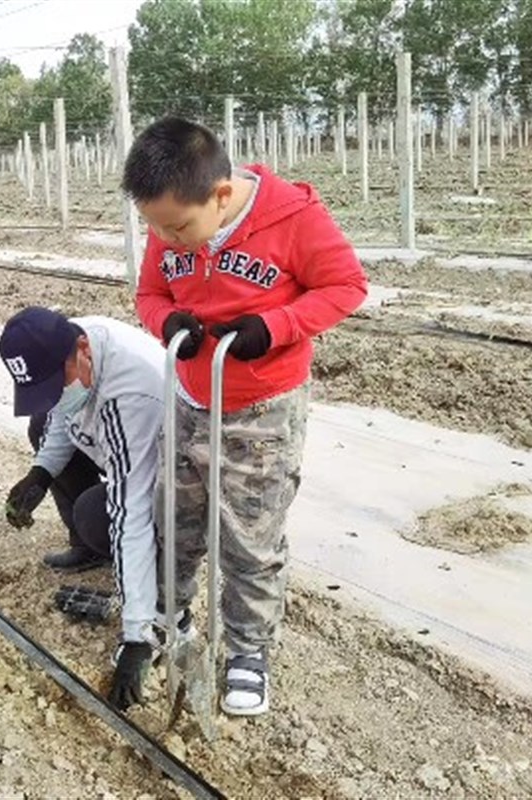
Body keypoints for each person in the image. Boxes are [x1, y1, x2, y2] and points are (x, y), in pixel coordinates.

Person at [124, 117, 368, 716]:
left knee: (250, 538)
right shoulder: (168, 224)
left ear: (221, 195)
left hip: (261, 411)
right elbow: (150, 295)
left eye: (179, 227)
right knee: (175, 521)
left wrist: (275, 326)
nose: (167, 239)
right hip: (190, 400)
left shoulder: (293, 219)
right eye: (156, 227)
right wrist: (165, 322)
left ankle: (248, 649)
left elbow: (346, 285)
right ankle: (169, 613)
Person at [0, 307, 165, 710]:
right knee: (41, 423)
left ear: (84, 349)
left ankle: (157, 570)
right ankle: (90, 550)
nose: (57, 393)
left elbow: (132, 511)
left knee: (95, 515)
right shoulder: (72, 343)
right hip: (118, 443)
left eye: (58, 383)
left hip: (167, 482)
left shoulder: (132, 397)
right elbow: (62, 413)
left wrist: (138, 636)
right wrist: (40, 473)